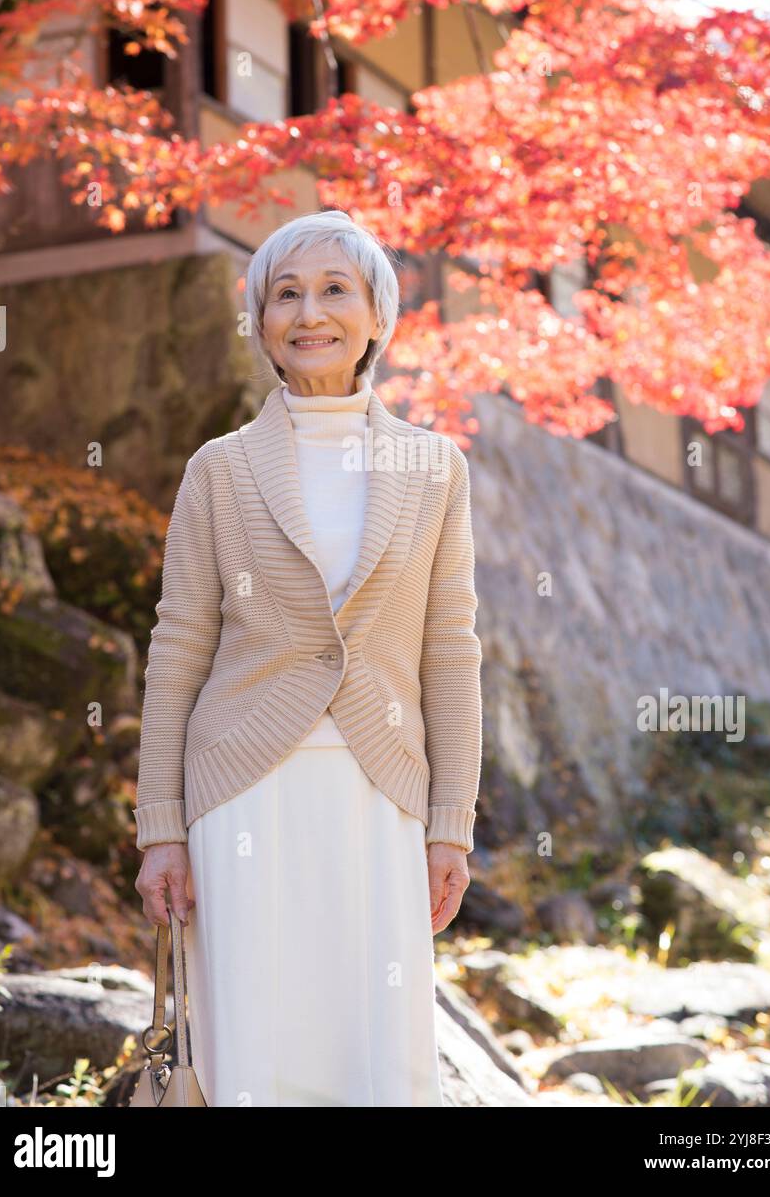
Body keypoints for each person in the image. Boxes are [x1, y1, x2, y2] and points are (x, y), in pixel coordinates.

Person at [133, 209, 483, 1106]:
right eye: (283, 294)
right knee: (255, 1055)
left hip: (383, 792)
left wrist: (451, 823)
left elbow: (449, 648)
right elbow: (178, 648)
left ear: (377, 317)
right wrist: (160, 830)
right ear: (259, 322)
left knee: (380, 1059)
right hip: (241, 793)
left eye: (335, 289)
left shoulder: (434, 467)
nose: (308, 312)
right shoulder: (218, 468)